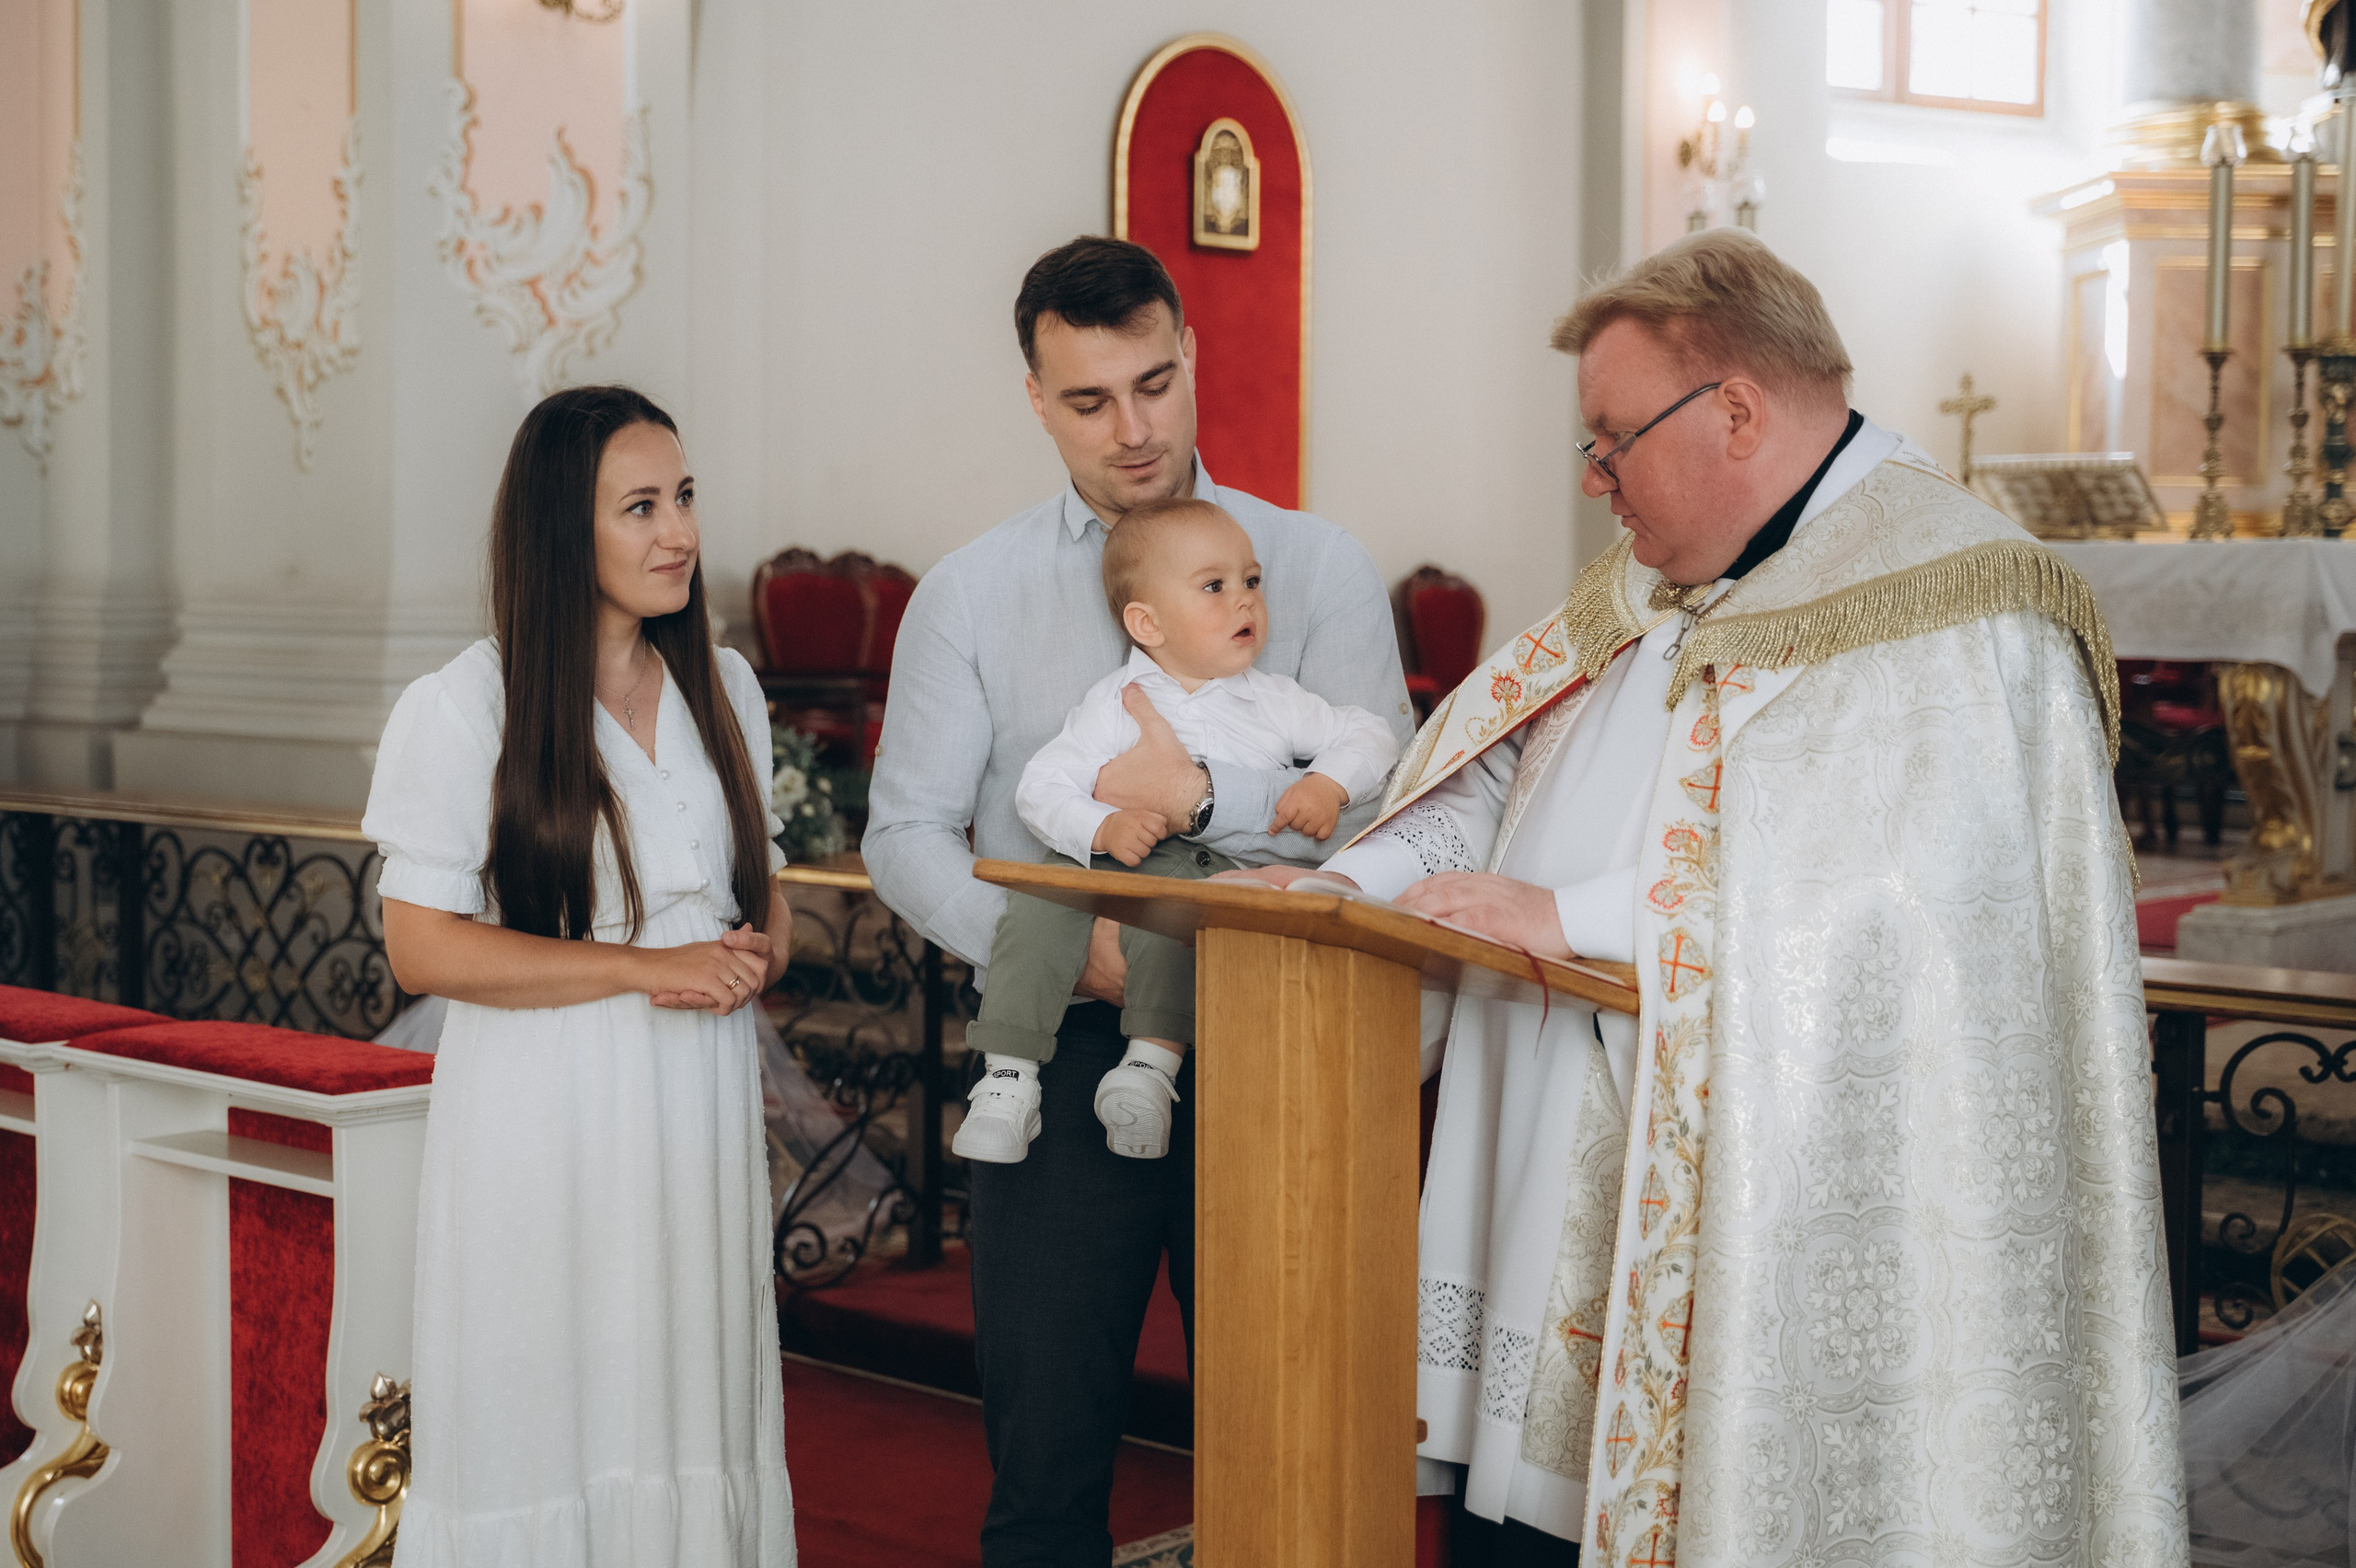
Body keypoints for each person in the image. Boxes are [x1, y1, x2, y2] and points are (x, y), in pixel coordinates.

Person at [1233, 229, 2187, 1568]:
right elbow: (1487, 773)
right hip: (1541, 1164)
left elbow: (1910, 909)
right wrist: (1345, 885)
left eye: (1613, 440)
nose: (1593, 480)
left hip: (1762, 1225)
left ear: (1734, 409)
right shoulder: (1639, 591)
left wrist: (1577, 918)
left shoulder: (1960, 603)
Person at [862, 236, 1412, 1566]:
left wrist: (1218, 843)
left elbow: (1393, 815)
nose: (1133, 429)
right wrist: (1066, 959)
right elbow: (907, 835)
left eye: (1155, 384)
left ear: (1192, 358)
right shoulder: (972, 594)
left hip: (1281, 1039)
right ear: (1036, 399)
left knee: (1291, 1436)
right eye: (1090, 400)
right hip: (1058, 1055)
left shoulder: (1313, 564)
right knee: (1047, 1453)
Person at [365, 386, 797, 1566]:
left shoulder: (728, 688)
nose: (680, 533)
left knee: (685, 1397)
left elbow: (771, 913)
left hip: (693, 1107)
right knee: (547, 1409)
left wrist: (747, 956)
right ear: (567, 528)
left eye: (687, 497)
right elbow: (423, 946)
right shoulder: (465, 706)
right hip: (543, 1106)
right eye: (641, 506)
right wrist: (641, 966)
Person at [954, 496, 1399, 1165]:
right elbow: (1041, 789)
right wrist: (1101, 825)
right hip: (1099, 864)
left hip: (1205, 868)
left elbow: (1373, 734)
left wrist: (1327, 782)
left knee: (1182, 936)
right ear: (1147, 623)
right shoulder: (1116, 703)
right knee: (1034, 913)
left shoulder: (1273, 700)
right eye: (1214, 587)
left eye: (1252, 581)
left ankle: (1149, 1073)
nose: (1245, 601)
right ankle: (1008, 1078)